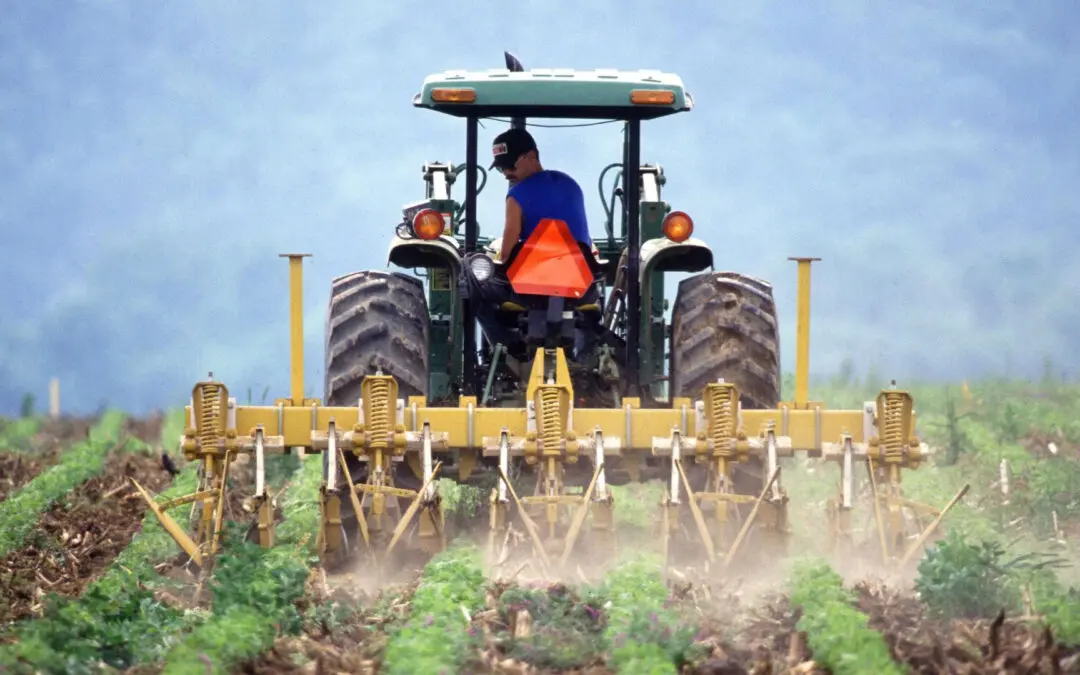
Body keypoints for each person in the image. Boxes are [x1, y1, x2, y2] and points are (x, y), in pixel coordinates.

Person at [463, 127, 597, 356]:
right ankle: (586, 354)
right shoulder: (572, 186)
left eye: (510, 165)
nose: (506, 173)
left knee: (470, 281)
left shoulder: (517, 195)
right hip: (580, 287)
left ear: (532, 156)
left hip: (529, 291)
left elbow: (505, 255)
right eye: (501, 168)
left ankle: (505, 348)